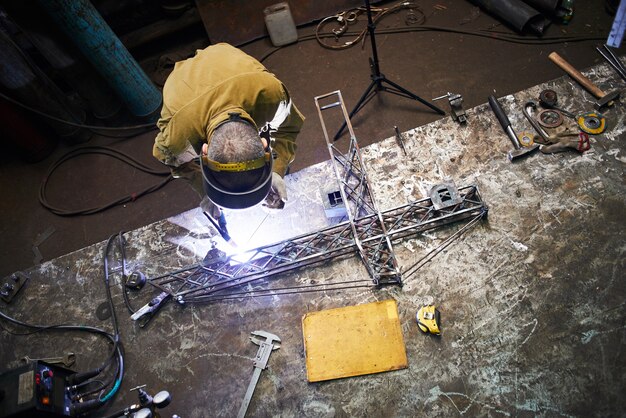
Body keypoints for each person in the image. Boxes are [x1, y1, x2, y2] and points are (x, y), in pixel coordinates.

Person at [153, 43, 304, 221]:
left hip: (225, 57)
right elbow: (176, 163)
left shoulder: (270, 95)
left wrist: (278, 170)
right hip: (182, 79)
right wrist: (204, 190)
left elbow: (288, 127)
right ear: (204, 152)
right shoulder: (177, 139)